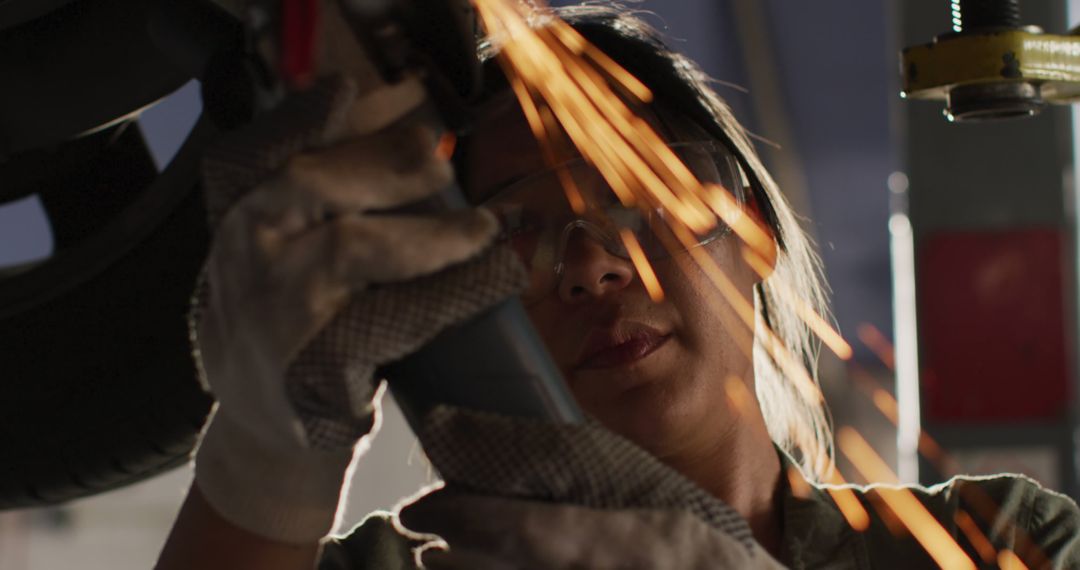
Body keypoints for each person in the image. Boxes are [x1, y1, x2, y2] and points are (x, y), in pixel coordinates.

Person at [156, 5, 1080, 569]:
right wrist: (266, 464)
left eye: (636, 199)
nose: (593, 264)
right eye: (515, 230)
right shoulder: (404, 569)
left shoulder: (995, 543)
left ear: (750, 235)